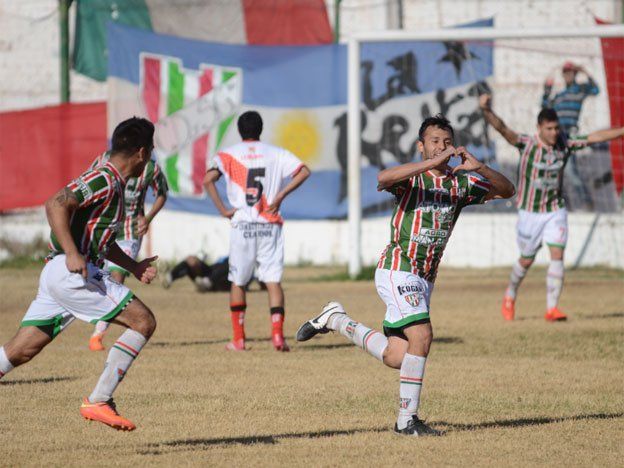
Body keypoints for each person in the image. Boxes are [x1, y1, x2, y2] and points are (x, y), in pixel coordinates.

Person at [296, 115, 515, 436]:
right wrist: (430, 164)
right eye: (434, 142)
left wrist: (480, 167)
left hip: (424, 279)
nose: (441, 147)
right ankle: (406, 421)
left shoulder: (460, 182)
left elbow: (507, 190)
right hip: (398, 268)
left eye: (446, 142)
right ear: (421, 146)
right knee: (422, 336)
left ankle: (336, 319)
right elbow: (383, 178)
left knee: (396, 356)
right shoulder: (413, 178)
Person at [0, 117, 160, 431]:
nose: (151, 158)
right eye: (151, 150)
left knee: (21, 350)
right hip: (70, 270)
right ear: (142, 152)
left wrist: (134, 266)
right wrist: (73, 253)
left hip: (60, 271)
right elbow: (55, 203)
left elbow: (102, 242)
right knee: (143, 321)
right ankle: (99, 400)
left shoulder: (114, 184)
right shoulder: (104, 177)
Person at [480, 93, 624, 321]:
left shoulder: (565, 143)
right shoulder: (526, 144)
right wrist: (487, 110)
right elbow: (503, 128)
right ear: (539, 128)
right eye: (549, 129)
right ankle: (510, 294)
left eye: (556, 128)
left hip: (555, 209)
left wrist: (621, 131)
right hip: (529, 212)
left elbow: (594, 137)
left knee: (557, 254)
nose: (554, 132)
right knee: (526, 260)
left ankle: (552, 308)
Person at [204, 110, 310, 352]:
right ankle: (278, 337)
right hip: (269, 224)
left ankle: (239, 339)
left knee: (238, 281)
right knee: (272, 280)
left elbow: (208, 180)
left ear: (239, 130)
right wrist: (280, 195)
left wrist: (223, 210)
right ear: (261, 129)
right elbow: (304, 171)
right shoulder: (276, 153)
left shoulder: (228, 154)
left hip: (243, 226)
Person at [88, 150, 168, 352]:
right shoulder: (103, 159)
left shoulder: (151, 167)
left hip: (130, 231)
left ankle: (98, 334)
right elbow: (87, 186)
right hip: (106, 227)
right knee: (98, 275)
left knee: (117, 276)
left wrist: (148, 218)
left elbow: (162, 193)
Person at [542, 61, 600, 206]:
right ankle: (560, 202)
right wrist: (547, 90)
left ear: (575, 74)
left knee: (570, 169)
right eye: (565, 73)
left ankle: (586, 201)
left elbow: (596, 90)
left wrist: (585, 71)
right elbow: (545, 106)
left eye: (570, 73)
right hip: (557, 134)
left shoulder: (579, 90)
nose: (568, 75)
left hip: (569, 133)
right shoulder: (560, 95)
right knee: (555, 169)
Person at [162, 255, 232, 292]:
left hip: (222, 279)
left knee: (231, 264)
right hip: (210, 273)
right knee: (191, 259)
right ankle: (170, 277)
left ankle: (208, 282)